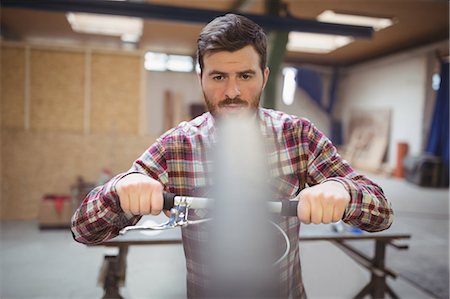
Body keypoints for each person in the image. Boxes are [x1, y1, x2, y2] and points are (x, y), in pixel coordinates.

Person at [71, 13, 393, 298]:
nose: (232, 92)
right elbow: (84, 229)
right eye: (218, 77)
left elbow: (381, 213)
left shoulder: (298, 136)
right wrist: (121, 189)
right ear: (201, 79)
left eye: (245, 76)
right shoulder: (178, 146)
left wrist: (343, 191)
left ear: (264, 77)